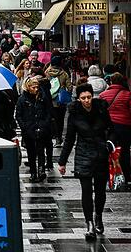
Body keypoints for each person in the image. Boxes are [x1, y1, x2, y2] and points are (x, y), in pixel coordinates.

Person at [59, 83, 114, 239]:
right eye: (83, 98)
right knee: (86, 191)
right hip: (83, 154)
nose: (87, 100)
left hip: (101, 154)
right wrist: (62, 161)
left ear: (92, 96)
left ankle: (98, 216)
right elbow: (69, 138)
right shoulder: (75, 114)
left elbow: (111, 130)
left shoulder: (101, 110)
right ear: (79, 98)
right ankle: (89, 223)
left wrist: (109, 143)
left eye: (89, 97)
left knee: (100, 191)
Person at [16, 76, 52, 182]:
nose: (36, 89)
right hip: (29, 130)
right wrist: (25, 127)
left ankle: (41, 170)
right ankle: (33, 172)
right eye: (33, 87)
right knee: (31, 153)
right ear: (28, 87)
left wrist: (45, 124)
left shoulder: (42, 97)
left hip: (41, 128)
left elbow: (48, 112)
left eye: (37, 87)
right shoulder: (22, 99)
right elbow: (19, 115)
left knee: (41, 150)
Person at [99, 73, 131, 184]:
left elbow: (100, 113)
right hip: (124, 126)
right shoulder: (128, 94)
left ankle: (109, 176)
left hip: (108, 127)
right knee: (125, 151)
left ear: (111, 81)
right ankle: (127, 176)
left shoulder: (103, 95)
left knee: (108, 151)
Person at [46, 56, 72, 146]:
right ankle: (59, 137)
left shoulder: (47, 73)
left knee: (52, 119)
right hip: (61, 100)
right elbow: (70, 87)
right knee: (60, 120)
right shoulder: (64, 74)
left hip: (50, 100)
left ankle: (54, 136)